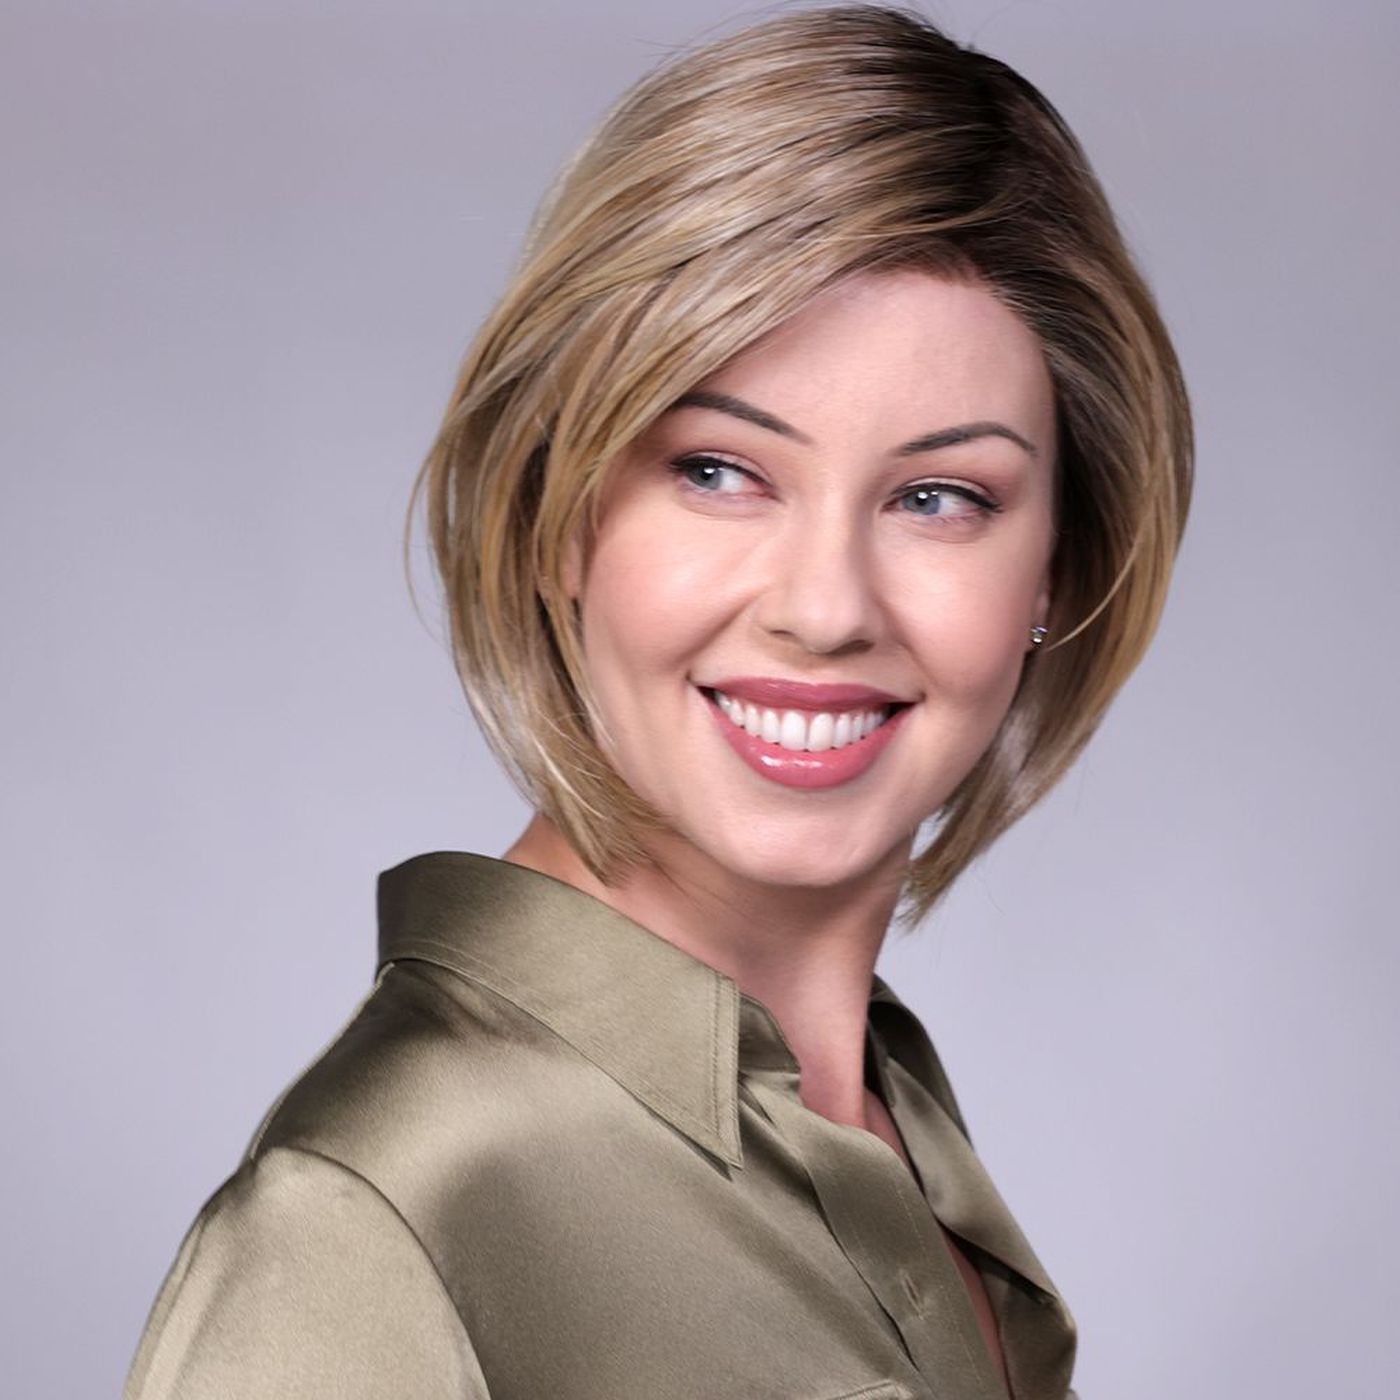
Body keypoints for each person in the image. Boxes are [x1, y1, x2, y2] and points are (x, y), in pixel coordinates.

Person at [122, 6, 1191, 1399]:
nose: (825, 606)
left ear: (1057, 566)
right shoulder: (380, 1219)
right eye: (718, 470)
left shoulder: (893, 1133)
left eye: (939, 497)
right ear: (558, 514)